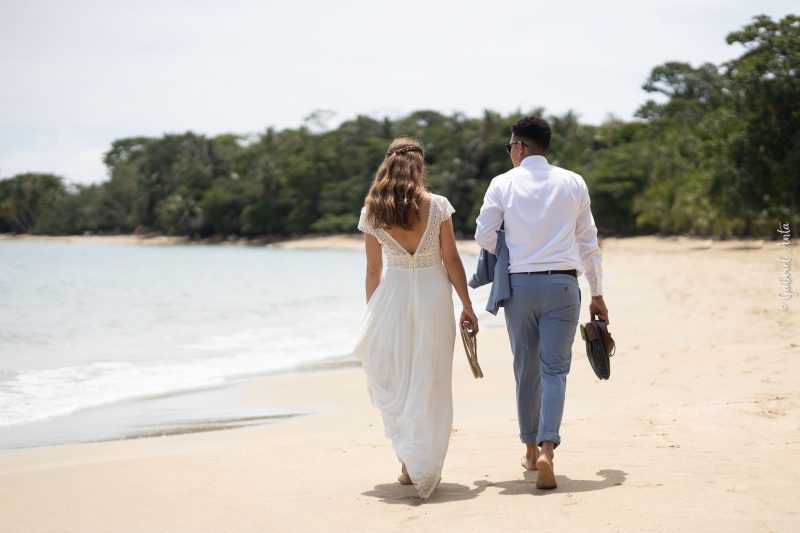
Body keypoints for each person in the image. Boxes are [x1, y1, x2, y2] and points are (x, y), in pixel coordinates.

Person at [474, 116, 609, 490]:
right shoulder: (573, 182)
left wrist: (512, 246)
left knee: (525, 370)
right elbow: (589, 243)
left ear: (520, 147)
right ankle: (549, 449)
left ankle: (530, 451)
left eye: (510, 147)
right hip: (564, 286)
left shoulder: (502, 184)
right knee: (555, 372)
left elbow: (483, 234)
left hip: (519, 287)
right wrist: (597, 293)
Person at [352, 137, 478, 500]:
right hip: (434, 294)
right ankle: (421, 462)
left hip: (393, 296)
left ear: (386, 164)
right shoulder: (436, 206)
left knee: (400, 376)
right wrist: (467, 305)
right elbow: (451, 260)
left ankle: (409, 462)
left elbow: (373, 271)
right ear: (419, 165)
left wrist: (371, 315)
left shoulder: (373, 210)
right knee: (430, 378)